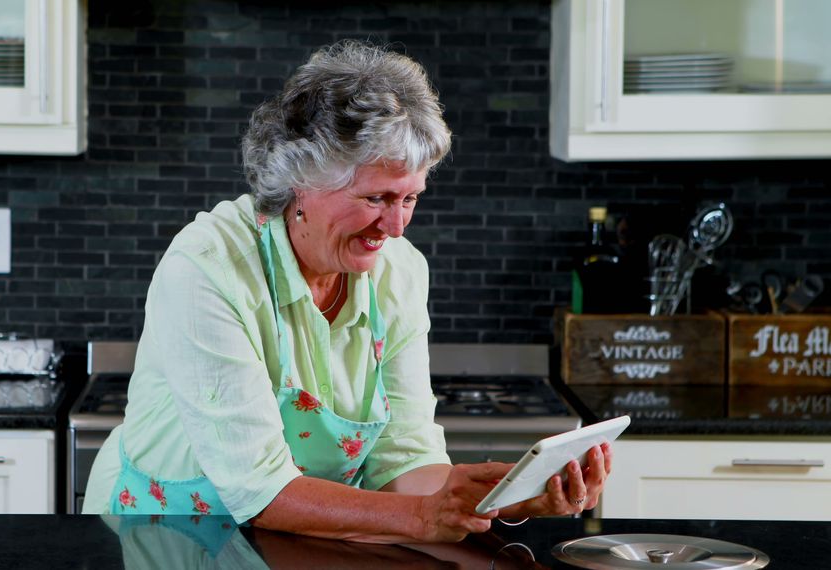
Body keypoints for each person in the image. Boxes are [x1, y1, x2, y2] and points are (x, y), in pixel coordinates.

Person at [83, 40, 612, 543]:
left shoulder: (398, 272)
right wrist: (425, 517)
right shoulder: (208, 269)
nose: (396, 226)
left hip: (308, 540)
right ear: (301, 183)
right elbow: (260, 490)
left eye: (410, 198)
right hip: (166, 536)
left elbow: (403, 458)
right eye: (376, 197)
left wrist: (508, 500)